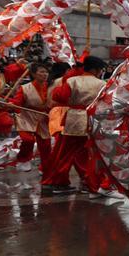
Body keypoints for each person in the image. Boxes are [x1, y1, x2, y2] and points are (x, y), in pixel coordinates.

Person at [42, 56, 118, 198]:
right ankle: (92, 184)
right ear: (95, 70)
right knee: (91, 155)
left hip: (72, 120)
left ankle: (59, 182)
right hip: (91, 120)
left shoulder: (72, 80)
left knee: (65, 153)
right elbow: (108, 103)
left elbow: (58, 96)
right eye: (100, 69)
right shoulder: (102, 83)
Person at [8, 62, 52, 174]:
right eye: (41, 72)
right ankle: (23, 160)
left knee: (46, 144)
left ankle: (46, 166)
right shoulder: (25, 88)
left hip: (43, 118)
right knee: (28, 139)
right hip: (26, 116)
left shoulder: (50, 87)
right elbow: (17, 102)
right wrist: (11, 104)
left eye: (46, 72)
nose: (45, 74)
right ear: (33, 74)